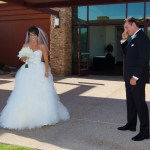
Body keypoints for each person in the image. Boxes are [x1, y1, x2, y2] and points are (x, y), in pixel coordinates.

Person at [0, 26, 70, 130]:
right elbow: (23, 59)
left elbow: (46, 60)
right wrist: (25, 57)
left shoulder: (41, 46)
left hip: (40, 70)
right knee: (24, 92)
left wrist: (46, 71)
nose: (32, 37)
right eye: (31, 35)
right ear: (29, 35)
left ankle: (44, 117)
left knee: (42, 93)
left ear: (38, 35)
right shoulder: (25, 45)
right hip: (27, 70)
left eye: (34, 35)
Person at [118, 17, 150, 141]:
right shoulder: (133, 38)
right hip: (129, 78)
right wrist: (124, 40)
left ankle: (145, 131)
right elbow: (128, 54)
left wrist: (135, 77)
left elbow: (143, 59)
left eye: (127, 27)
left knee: (140, 104)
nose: (125, 29)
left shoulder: (142, 38)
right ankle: (131, 125)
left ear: (134, 24)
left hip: (136, 78)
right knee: (131, 102)